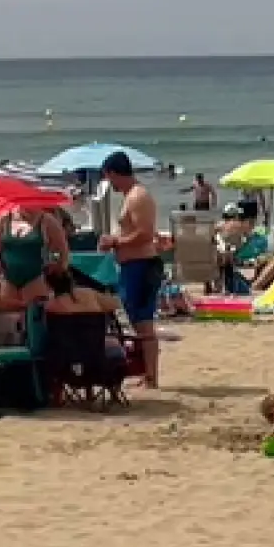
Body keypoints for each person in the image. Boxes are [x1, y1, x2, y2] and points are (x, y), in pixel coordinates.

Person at [97, 151, 162, 388]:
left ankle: (152, 376)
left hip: (142, 265)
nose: (109, 184)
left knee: (143, 323)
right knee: (137, 321)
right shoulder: (131, 196)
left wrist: (115, 242)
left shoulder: (138, 196)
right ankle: (148, 373)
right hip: (133, 265)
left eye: (108, 178)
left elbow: (144, 234)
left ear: (114, 173)